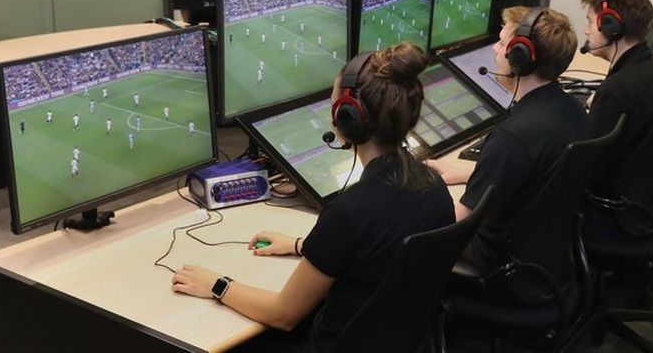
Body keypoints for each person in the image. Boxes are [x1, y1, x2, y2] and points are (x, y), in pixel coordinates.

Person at [171, 43, 454, 352]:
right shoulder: (434, 186)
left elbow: (283, 315)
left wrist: (217, 284)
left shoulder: (349, 211)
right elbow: (374, 250)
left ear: (349, 118)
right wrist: (300, 245)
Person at [428, 6, 586, 273]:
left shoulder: (513, 137)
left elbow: (457, 223)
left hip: (497, 261)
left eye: (502, 44)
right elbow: (531, 175)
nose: (494, 49)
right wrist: (470, 173)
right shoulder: (573, 111)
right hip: (544, 257)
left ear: (521, 57)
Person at [579, 0, 653, 199]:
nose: (586, 30)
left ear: (610, 26)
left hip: (610, 202)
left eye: (589, 21)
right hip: (645, 197)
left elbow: (584, 169)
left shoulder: (618, 90)